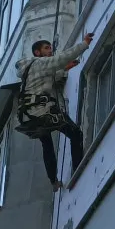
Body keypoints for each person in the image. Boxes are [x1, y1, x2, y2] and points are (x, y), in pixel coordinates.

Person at [15, 33, 94, 192]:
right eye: (46, 48)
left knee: (47, 144)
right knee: (75, 134)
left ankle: (53, 182)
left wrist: (65, 69)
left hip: (29, 115)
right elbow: (61, 59)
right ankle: (78, 170)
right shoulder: (40, 62)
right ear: (37, 52)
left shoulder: (31, 68)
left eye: (50, 48)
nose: (50, 50)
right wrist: (84, 44)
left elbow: (47, 77)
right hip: (43, 111)